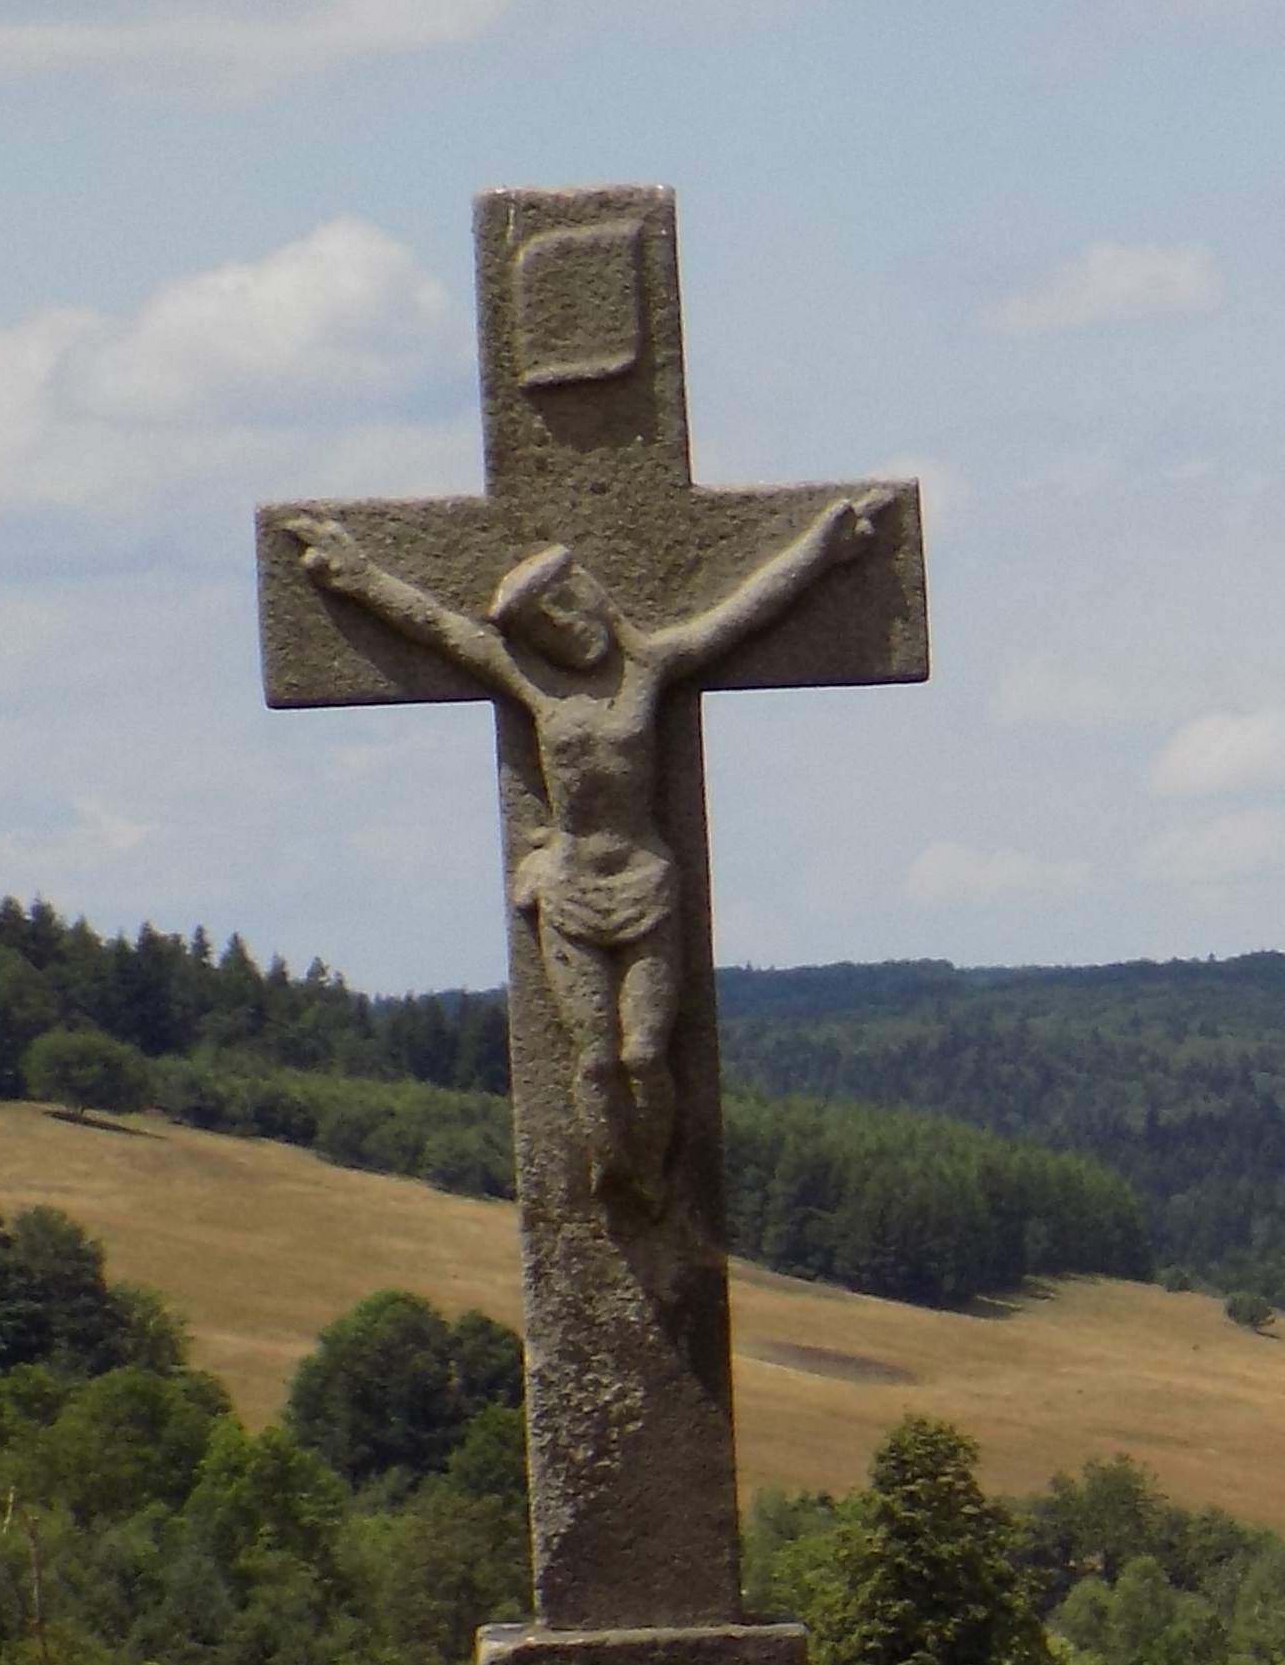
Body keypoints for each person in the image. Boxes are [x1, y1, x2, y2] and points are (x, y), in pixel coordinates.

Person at [276, 491, 895, 1198]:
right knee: (596, 1058)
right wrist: (359, 574)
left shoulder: (652, 668)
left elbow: (744, 613)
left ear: (593, 597)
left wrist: (823, 549)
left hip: (646, 885)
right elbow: (442, 630)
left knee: (643, 1053)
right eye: (543, 622)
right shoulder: (534, 686)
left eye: (567, 602)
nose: (564, 625)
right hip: (569, 891)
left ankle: (656, 1180)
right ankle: (612, 1169)